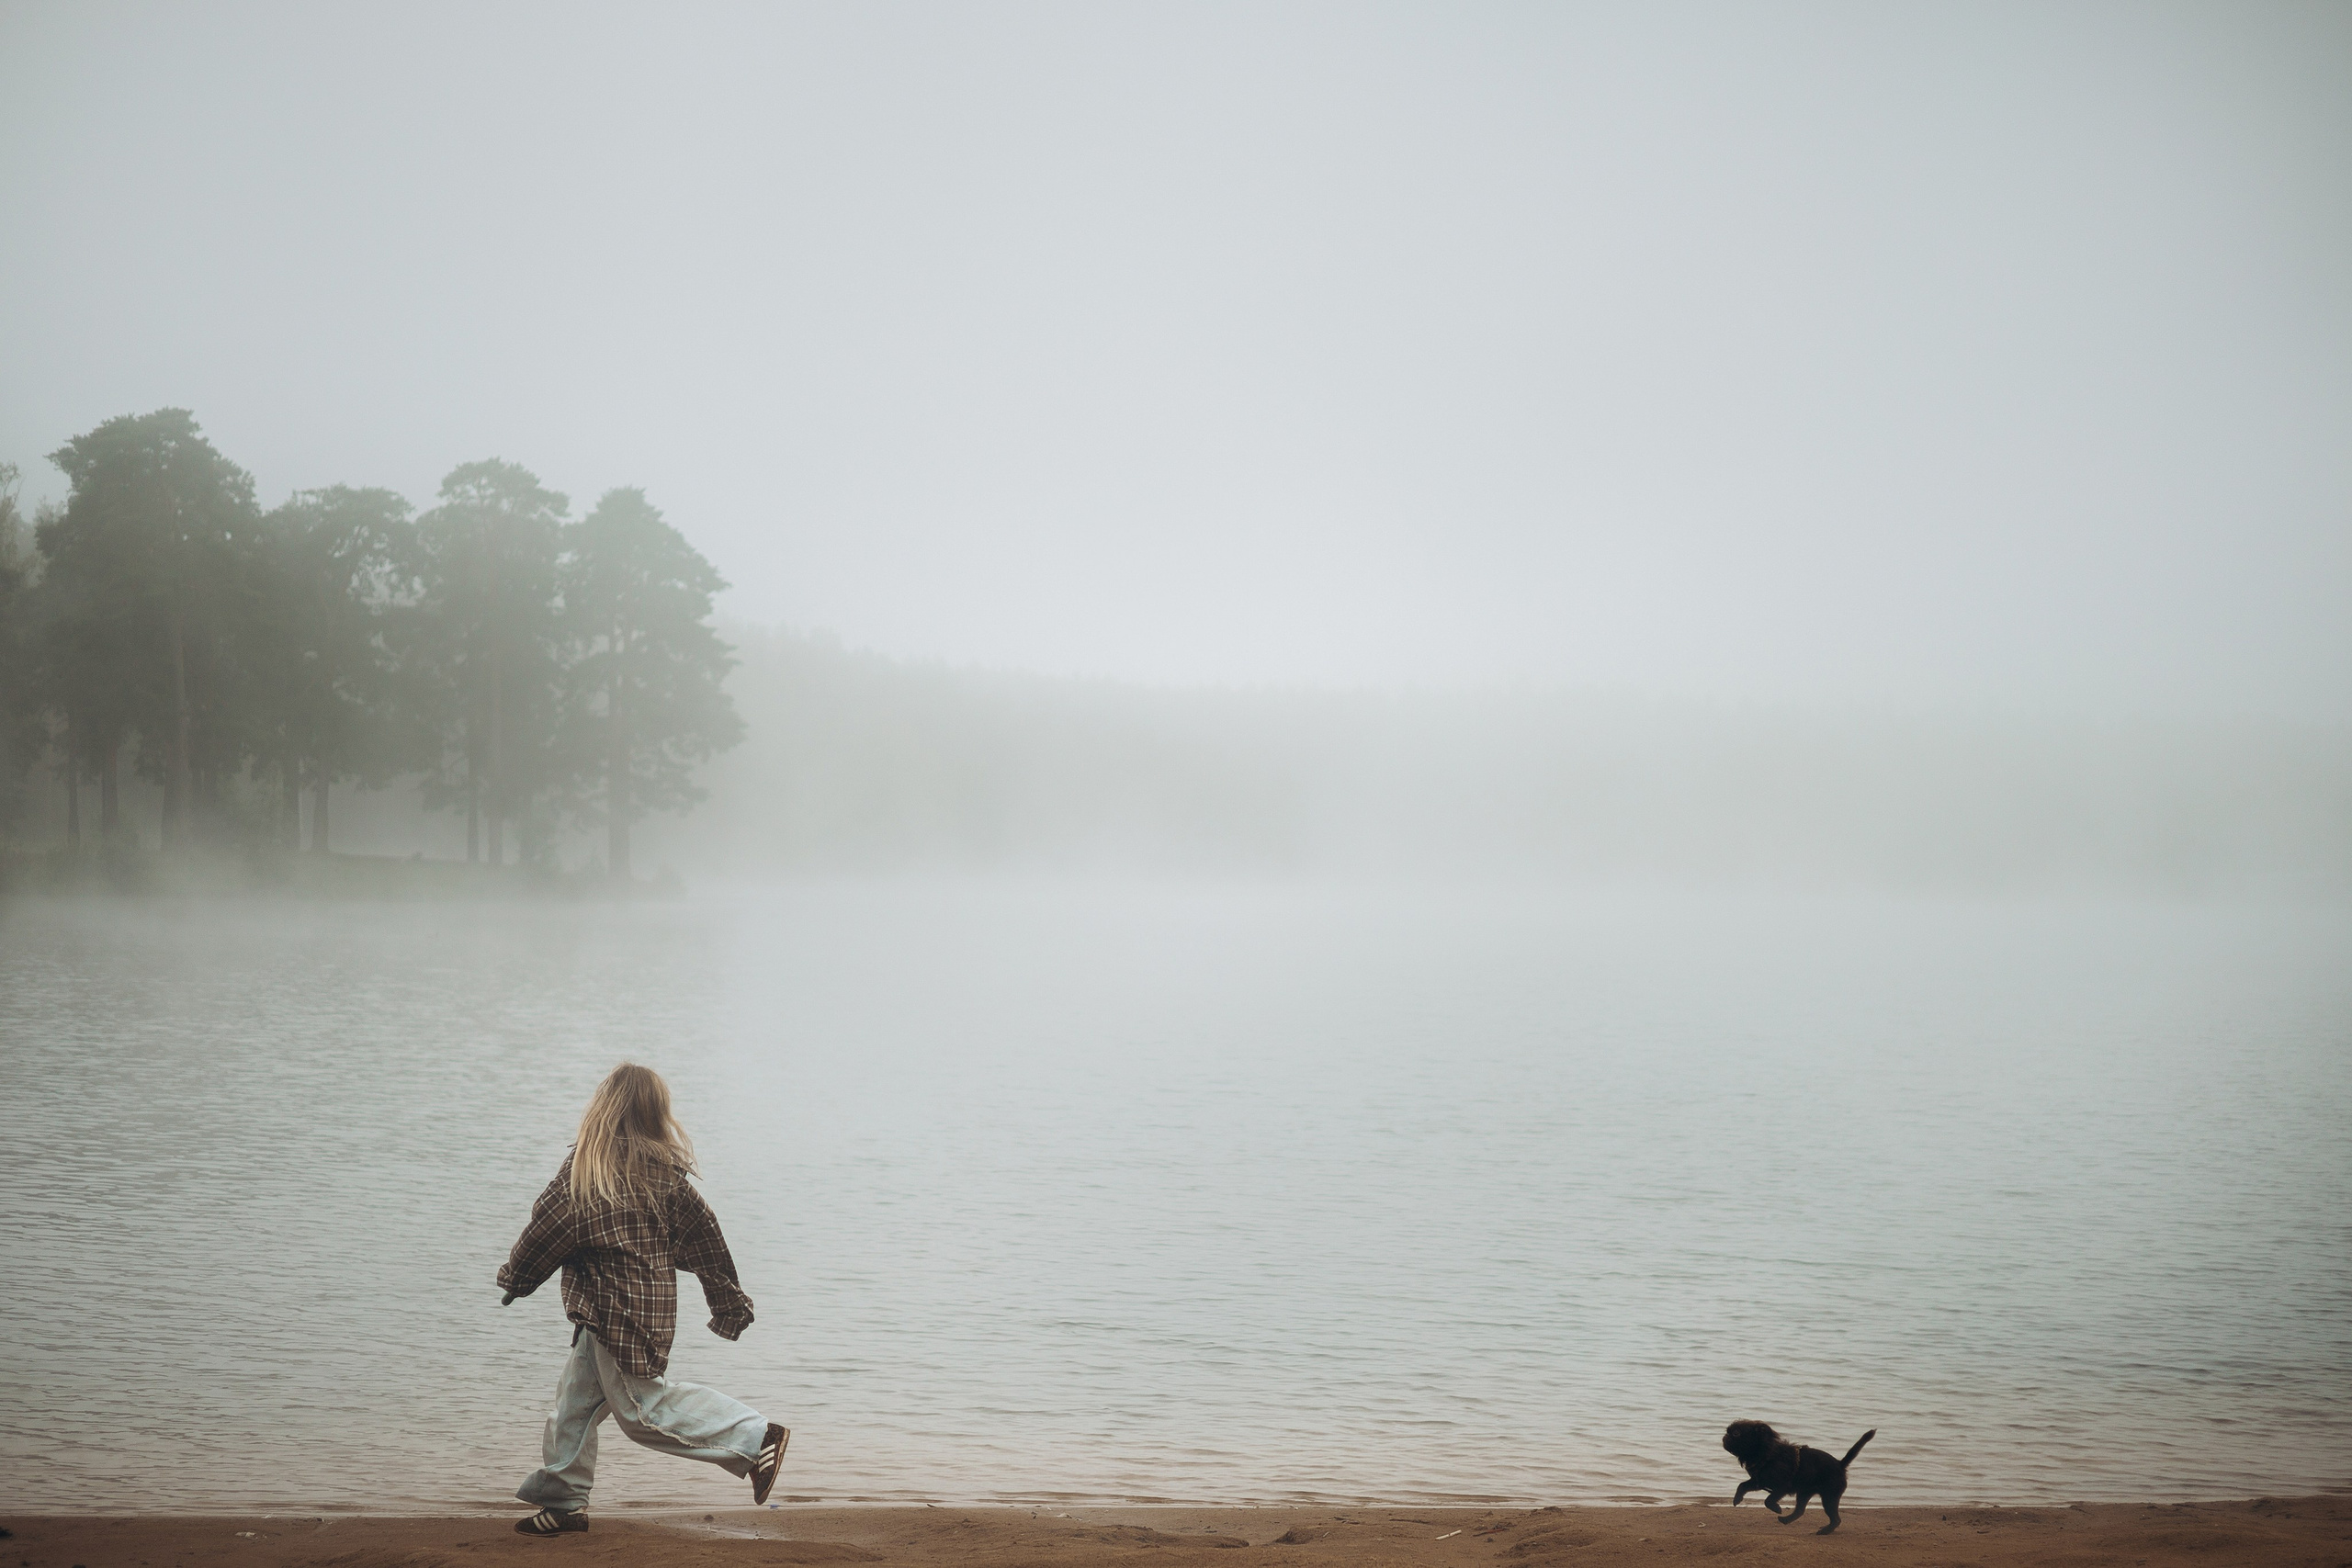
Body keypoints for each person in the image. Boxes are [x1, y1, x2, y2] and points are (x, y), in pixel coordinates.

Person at [497, 1063, 788, 1536]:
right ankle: (565, 1502)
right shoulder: (667, 1179)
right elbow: (707, 1241)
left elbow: (546, 1230)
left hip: (618, 1318)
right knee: (574, 1404)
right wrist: (728, 1303)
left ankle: (756, 1438)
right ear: (656, 1116)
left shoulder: (586, 1175)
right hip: (624, 1313)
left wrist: (517, 1278)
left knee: (643, 1413)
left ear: (602, 1111)